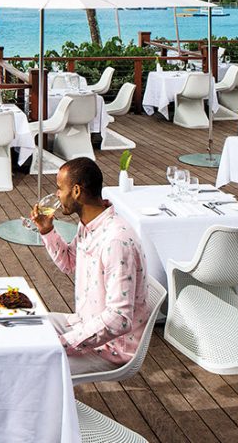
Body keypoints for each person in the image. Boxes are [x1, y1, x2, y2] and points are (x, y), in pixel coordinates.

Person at [30, 157, 148, 374]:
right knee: (28, 328)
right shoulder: (90, 225)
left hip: (110, 348)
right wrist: (47, 231)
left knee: (35, 365)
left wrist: (64, 342)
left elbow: (119, 319)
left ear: (76, 191)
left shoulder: (115, 240)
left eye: (59, 188)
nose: (57, 195)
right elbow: (69, 263)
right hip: (83, 325)